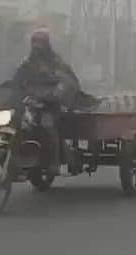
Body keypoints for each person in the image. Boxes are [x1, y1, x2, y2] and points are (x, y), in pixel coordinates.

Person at [10, 27, 92, 174]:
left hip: (50, 106)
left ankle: (54, 163)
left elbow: (69, 81)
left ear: (47, 44)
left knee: (47, 126)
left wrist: (58, 92)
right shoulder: (27, 64)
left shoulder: (56, 62)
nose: (37, 46)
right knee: (14, 123)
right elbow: (15, 80)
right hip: (30, 105)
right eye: (34, 42)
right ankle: (16, 159)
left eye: (40, 42)